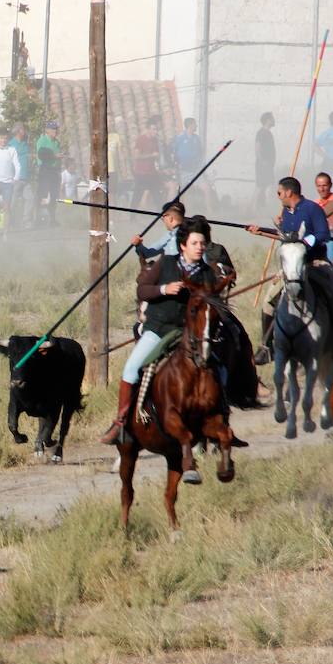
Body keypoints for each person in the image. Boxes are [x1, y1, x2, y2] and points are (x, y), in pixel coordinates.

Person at [100, 227, 216, 443]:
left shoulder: (207, 273)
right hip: (159, 329)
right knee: (131, 369)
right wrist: (164, 289)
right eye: (195, 243)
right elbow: (142, 290)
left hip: (190, 334)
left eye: (202, 243)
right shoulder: (167, 263)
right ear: (183, 245)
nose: (200, 247)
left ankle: (222, 418)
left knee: (219, 368)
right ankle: (121, 422)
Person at [251, 176, 333, 362]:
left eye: (279, 192)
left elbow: (323, 234)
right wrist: (261, 231)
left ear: (289, 192)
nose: (278, 196)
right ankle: (267, 347)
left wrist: (303, 243)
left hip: (316, 262)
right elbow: (285, 237)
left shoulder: (313, 209)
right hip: (291, 268)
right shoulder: (287, 212)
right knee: (267, 302)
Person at [34, 121, 63, 227]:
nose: (55, 131)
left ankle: (52, 219)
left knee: (54, 195)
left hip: (54, 170)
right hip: (45, 170)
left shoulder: (57, 142)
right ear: (47, 130)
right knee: (43, 195)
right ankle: (40, 219)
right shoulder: (42, 140)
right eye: (53, 129)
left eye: (56, 129)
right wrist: (55, 156)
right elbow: (41, 154)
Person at [132, 117, 162, 209]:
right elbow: (136, 156)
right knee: (137, 195)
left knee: (157, 196)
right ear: (148, 129)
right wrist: (151, 155)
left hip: (152, 173)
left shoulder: (155, 141)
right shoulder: (141, 139)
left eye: (156, 129)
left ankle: (161, 216)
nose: (156, 131)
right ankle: (132, 217)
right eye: (153, 129)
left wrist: (158, 165)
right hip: (141, 173)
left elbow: (156, 157)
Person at [9, 123, 33, 228]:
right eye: (23, 129)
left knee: (30, 198)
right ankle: (9, 221)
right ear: (18, 131)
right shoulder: (11, 144)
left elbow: (27, 157)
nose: (25, 131)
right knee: (12, 201)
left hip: (25, 177)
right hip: (16, 178)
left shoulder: (25, 143)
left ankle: (26, 221)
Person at [172, 117, 204, 187]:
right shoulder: (179, 138)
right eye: (195, 124)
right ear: (190, 125)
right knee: (184, 191)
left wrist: (200, 164)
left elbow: (201, 153)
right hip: (183, 171)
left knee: (205, 188)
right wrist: (176, 166)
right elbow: (173, 152)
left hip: (195, 171)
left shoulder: (197, 138)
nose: (196, 126)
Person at [255, 113, 276, 202]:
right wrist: (261, 161)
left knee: (263, 186)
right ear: (268, 120)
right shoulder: (262, 132)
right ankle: (257, 207)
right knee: (264, 185)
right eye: (272, 118)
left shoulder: (268, 133)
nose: (274, 120)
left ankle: (254, 207)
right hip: (263, 164)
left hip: (268, 164)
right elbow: (257, 147)